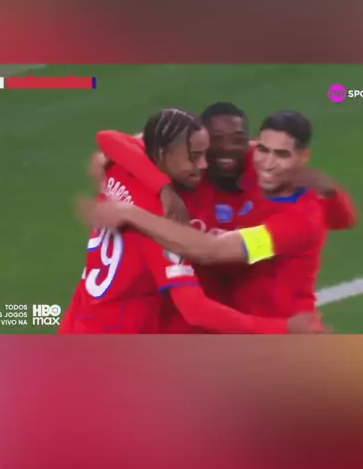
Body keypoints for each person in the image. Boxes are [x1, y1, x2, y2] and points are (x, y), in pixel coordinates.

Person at [62, 108, 325, 334]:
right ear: (165, 152)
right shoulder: (161, 225)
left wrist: (151, 194)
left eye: (281, 154)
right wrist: (284, 329)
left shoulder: (122, 168)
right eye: (194, 156)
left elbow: (107, 143)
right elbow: (206, 274)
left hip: (77, 324)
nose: (203, 165)